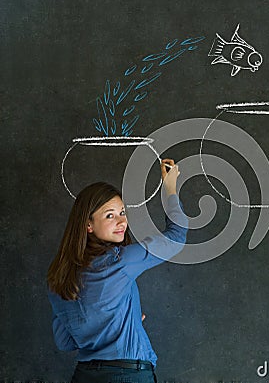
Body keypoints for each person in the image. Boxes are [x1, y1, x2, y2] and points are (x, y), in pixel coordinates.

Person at [47, 159, 188, 383]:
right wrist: (169, 188)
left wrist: (116, 324)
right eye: (110, 215)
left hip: (84, 375)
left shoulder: (58, 277)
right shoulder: (121, 261)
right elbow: (177, 237)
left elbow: (65, 342)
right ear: (88, 225)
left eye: (122, 212)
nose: (122, 221)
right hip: (128, 375)